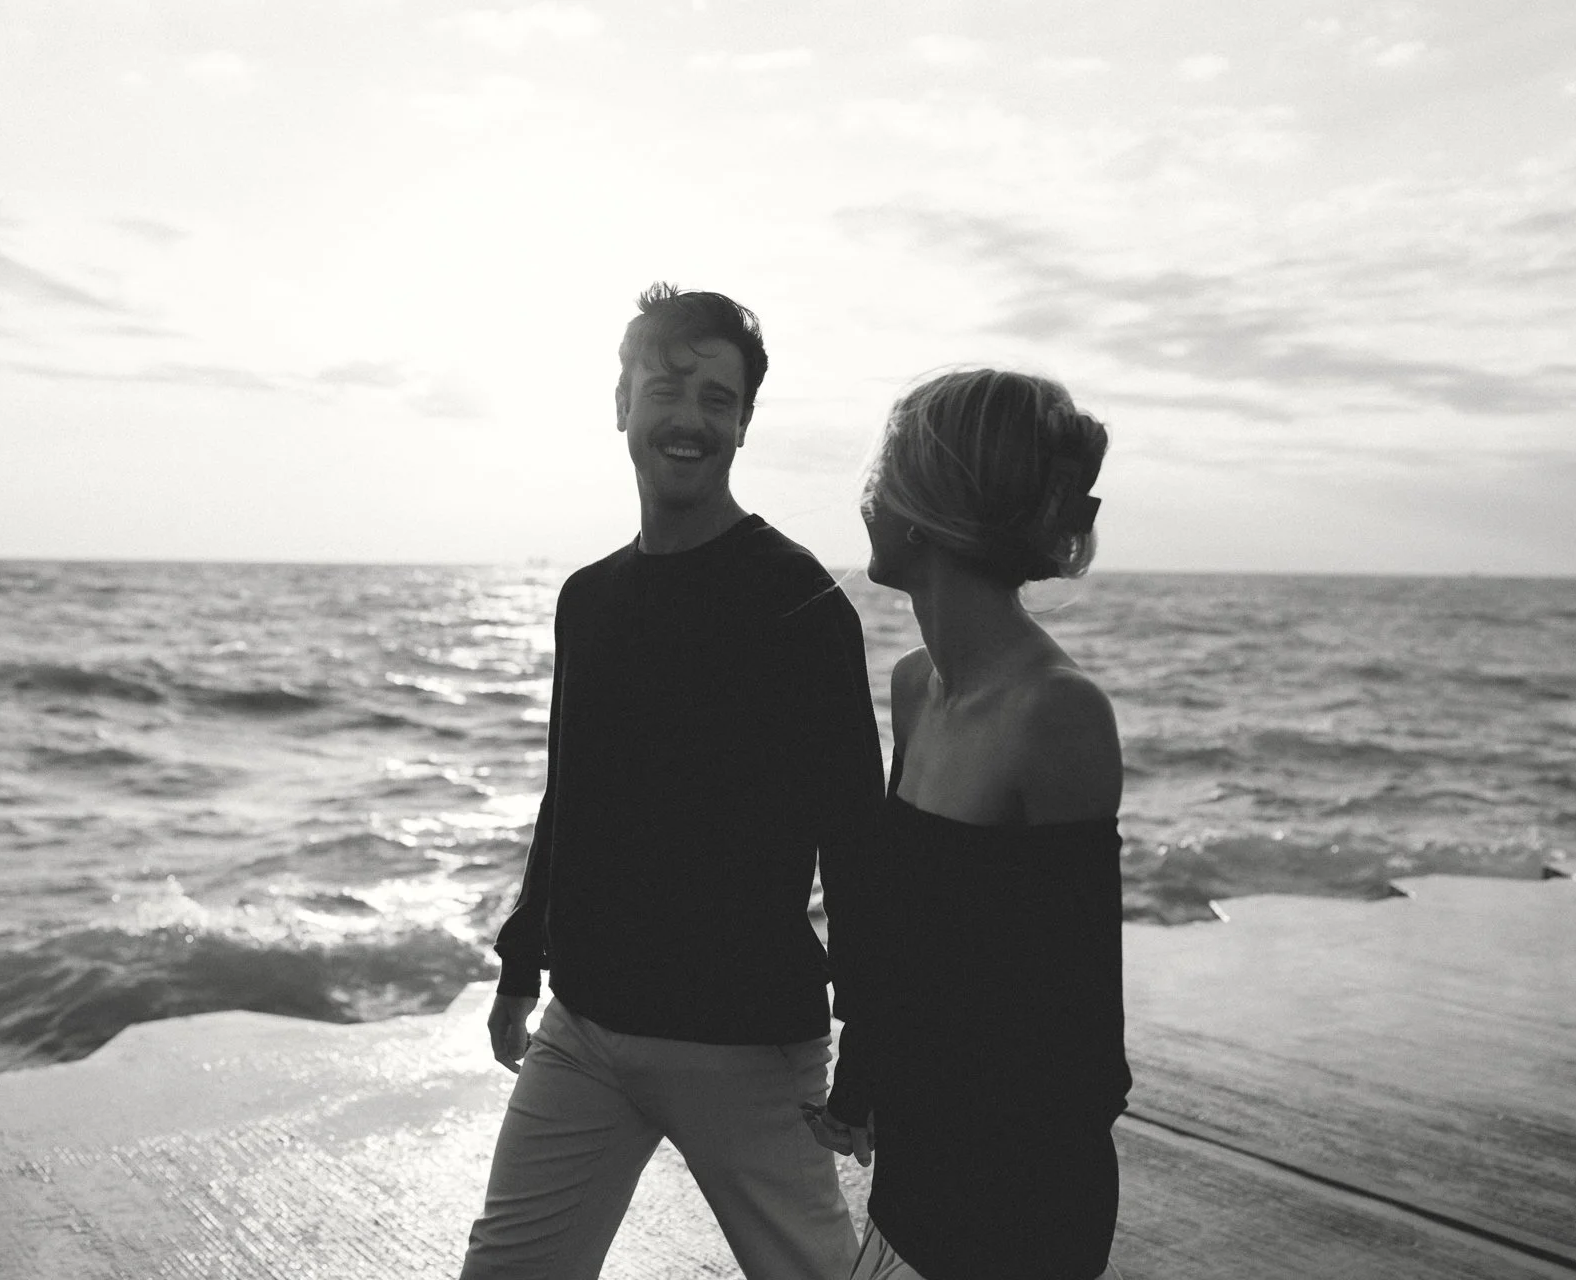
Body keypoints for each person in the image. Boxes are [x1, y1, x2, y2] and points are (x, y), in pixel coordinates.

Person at [458, 284, 881, 1280]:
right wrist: (524, 956)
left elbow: (855, 836)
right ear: (621, 401)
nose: (689, 418)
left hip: (746, 1045)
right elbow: (574, 795)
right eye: (667, 387)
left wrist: (872, 1041)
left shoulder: (801, 602)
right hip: (588, 1028)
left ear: (742, 425)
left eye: (718, 399)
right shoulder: (588, 598)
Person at [802, 369, 1130, 1279]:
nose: (864, 498)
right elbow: (904, 931)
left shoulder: (1058, 716)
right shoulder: (915, 689)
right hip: (915, 1170)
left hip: (1017, 1201)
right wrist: (861, 1082)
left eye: (883, 472)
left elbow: (1083, 1045)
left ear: (927, 513)